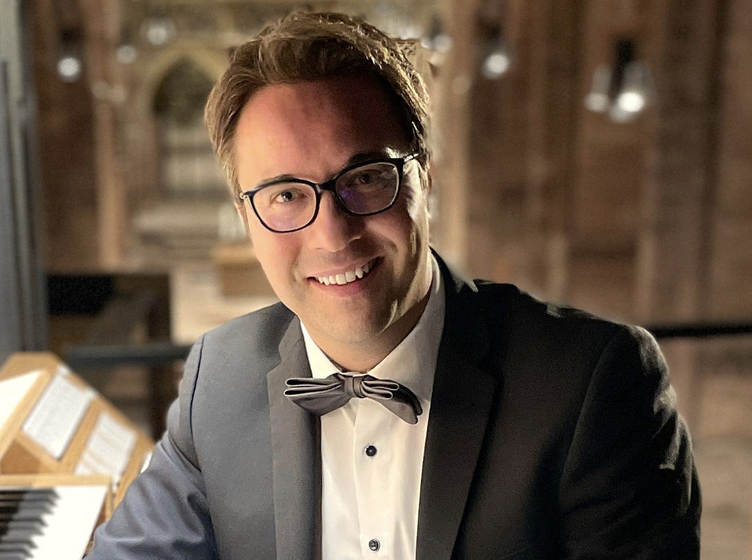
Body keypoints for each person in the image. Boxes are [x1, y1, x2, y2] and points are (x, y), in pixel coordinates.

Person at [87, 11, 700, 559]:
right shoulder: (217, 375)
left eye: (366, 178)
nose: (332, 233)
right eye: (286, 195)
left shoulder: (593, 383)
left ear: (425, 180)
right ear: (247, 219)